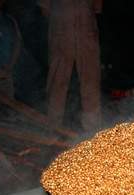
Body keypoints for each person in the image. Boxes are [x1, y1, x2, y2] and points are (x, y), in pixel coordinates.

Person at [42, 0, 103, 131]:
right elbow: (44, 9)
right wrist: (61, 23)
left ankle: (92, 129)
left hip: (86, 37)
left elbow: (97, 8)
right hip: (61, 37)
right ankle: (53, 127)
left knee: (90, 81)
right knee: (57, 83)